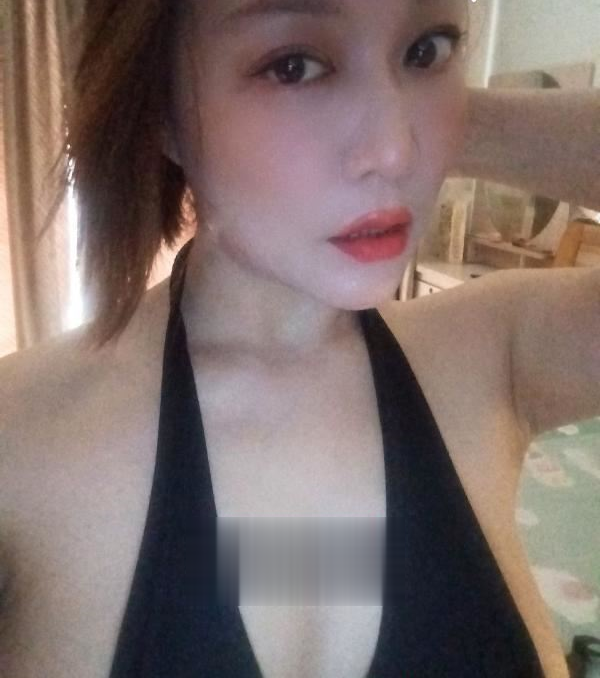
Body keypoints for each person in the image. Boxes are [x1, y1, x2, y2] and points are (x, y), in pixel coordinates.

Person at [0, 1, 598, 677]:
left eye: (426, 49)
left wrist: (449, 114)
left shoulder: (495, 356)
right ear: (160, 108)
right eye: (294, 66)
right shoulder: (19, 438)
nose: (395, 151)